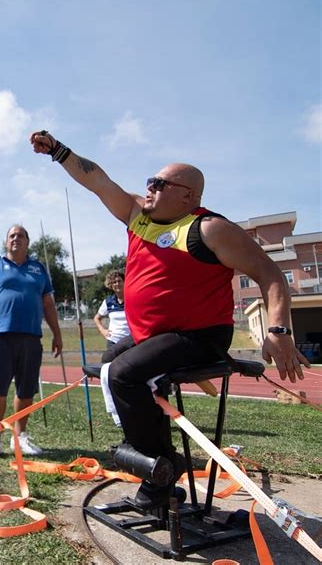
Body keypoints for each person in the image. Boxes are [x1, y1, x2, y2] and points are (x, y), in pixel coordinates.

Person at [30, 130, 310, 508]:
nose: (149, 188)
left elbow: (270, 274)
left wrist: (279, 330)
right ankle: (153, 453)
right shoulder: (138, 216)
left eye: (159, 183)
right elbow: (97, 180)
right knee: (110, 364)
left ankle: (161, 474)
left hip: (198, 336)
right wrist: (59, 151)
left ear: (188, 195)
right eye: (150, 181)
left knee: (125, 375)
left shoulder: (209, 228)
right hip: (155, 334)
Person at [0, 224, 63, 463]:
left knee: (26, 388)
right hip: (1, 335)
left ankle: (20, 436)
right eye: (12, 236)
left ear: (27, 241)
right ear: (6, 241)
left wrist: (57, 334)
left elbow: (49, 305)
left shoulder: (38, 269)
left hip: (31, 336)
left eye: (20, 235)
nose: (16, 239)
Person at [93, 270, 130, 350]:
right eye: (114, 282)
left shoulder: (132, 299)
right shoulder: (108, 302)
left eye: (119, 281)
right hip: (113, 342)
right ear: (111, 285)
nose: (117, 284)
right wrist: (102, 330)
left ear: (124, 282)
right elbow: (97, 318)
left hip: (130, 342)